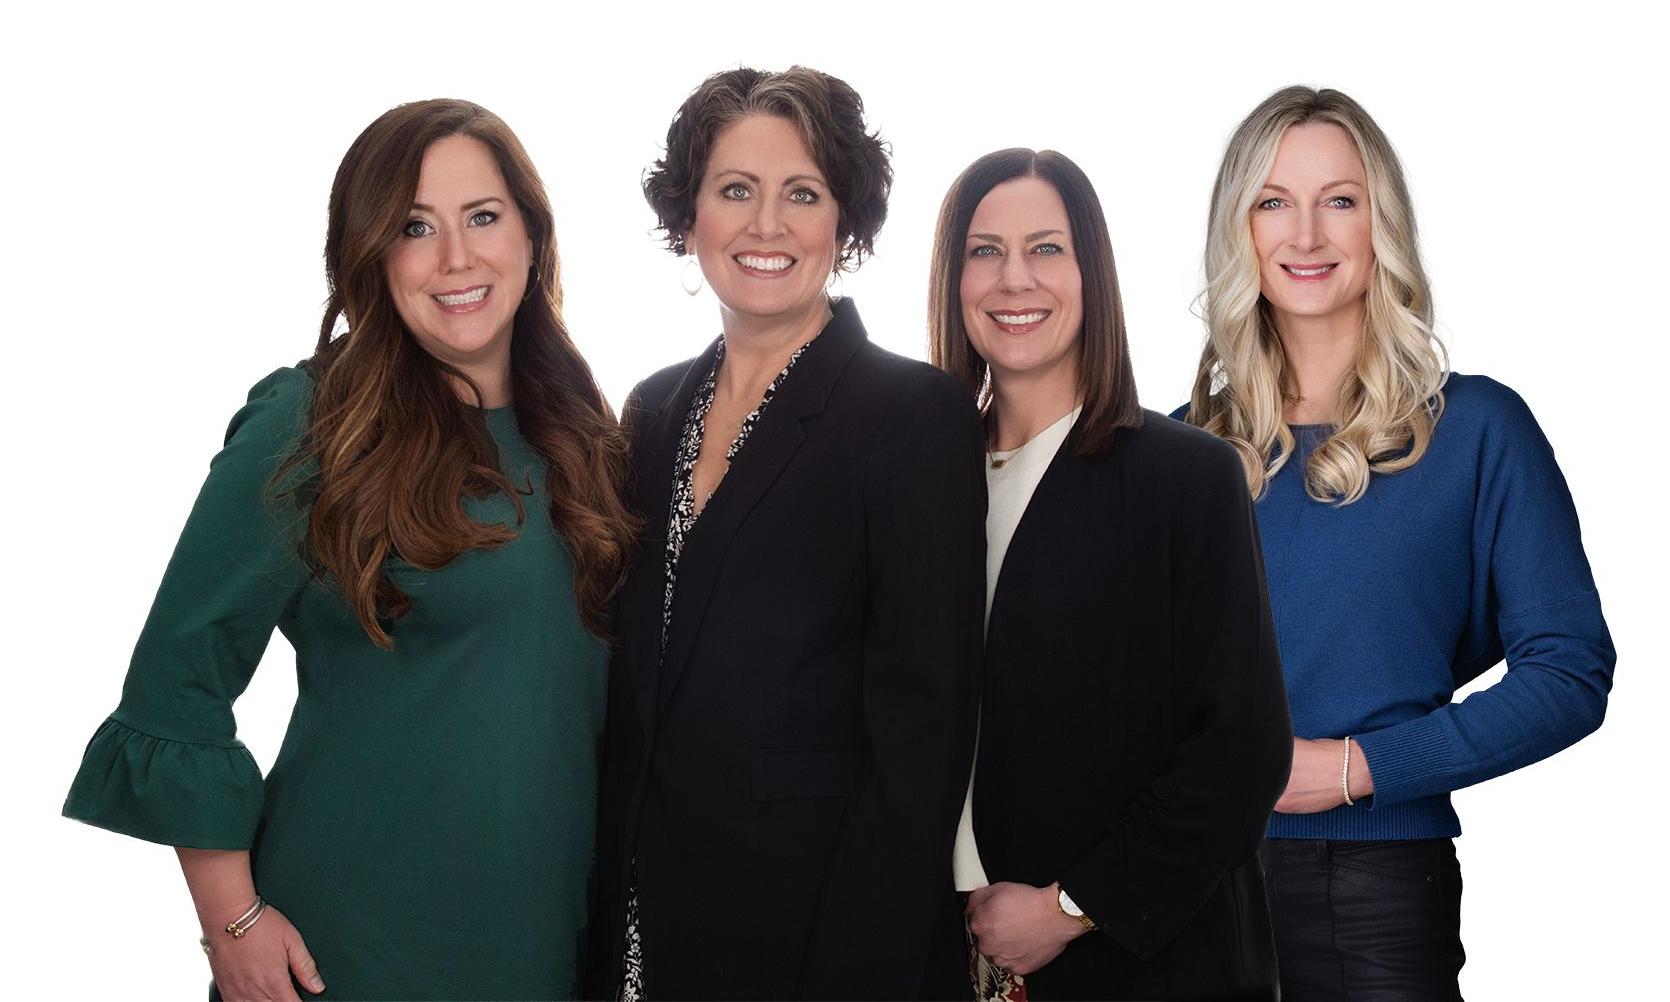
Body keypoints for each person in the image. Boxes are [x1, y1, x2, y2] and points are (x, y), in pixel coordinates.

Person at [62, 99, 635, 1000]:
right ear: (371, 252)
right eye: (415, 226)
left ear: (533, 233)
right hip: (351, 950)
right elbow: (177, 684)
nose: (457, 257)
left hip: (548, 944)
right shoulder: (313, 421)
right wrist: (231, 924)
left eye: (483, 216)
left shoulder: (585, 433)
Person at [1178, 86, 1616, 1000]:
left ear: (1383, 223)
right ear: (1239, 231)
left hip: (1373, 897)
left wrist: (1359, 767)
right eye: (1273, 202)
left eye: (1339, 199)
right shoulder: (1178, 450)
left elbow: (1568, 670)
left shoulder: (1478, 431)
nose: (1306, 235)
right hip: (1178, 883)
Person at [587, 66, 986, 1000]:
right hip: (645, 922)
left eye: (801, 194)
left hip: (822, 937)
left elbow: (924, 742)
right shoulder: (647, 413)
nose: (766, 226)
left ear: (844, 228)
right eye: (736, 191)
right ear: (690, 219)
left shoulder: (913, 414)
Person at [925, 148, 1291, 1000]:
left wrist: (1073, 905)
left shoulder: (1184, 477)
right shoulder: (917, 482)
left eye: (1047, 248)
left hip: (1139, 966)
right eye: (985, 251)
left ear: (1094, 275)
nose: (1015, 279)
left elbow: (1243, 749)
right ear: (953, 280)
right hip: (939, 954)